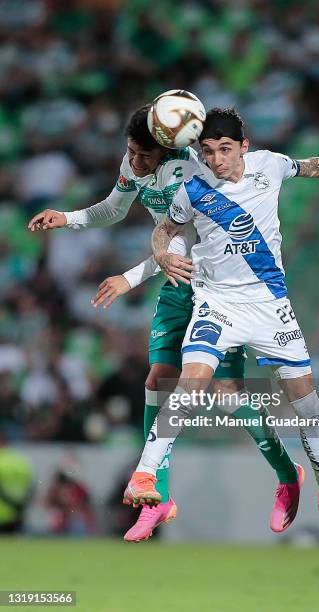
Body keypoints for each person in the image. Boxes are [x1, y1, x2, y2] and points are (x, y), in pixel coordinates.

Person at [28, 105, 302, 541]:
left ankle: (288, 473)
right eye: (130, 153)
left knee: (229, 395)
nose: (134, 162)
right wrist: (69, 218)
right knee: (157, 379)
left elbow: (184, 243)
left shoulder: (191, 173)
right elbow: (114, 210)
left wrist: (128, 278)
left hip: (214, 283)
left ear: (168, 150)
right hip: (177, 282)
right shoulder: (136, 160)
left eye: (143, 155)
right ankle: (158, 496)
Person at [131, 107, 319, 540]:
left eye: (225, 149)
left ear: (244, 146)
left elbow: (310, 165)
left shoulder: (270, 165)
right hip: (217, 305)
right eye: (207, 151)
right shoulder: (192, 188)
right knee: (192, 383)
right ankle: (146, 476)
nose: (217, 160)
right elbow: (164, 230)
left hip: (269, 305)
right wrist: (163, 253)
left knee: (307, 403)